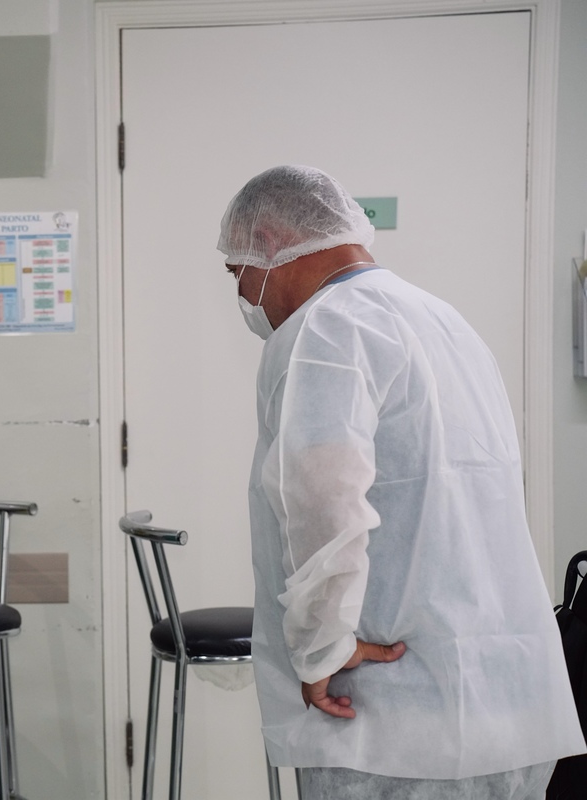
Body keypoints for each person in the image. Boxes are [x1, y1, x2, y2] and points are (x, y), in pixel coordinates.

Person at [219, 165, 584, 798]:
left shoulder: (324, 328)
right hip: (501, 696)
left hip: (392, 720)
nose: (245, 297)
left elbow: (321, 497)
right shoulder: (442, 319)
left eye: (238, 272)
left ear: (271, 242)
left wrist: (322, 648)